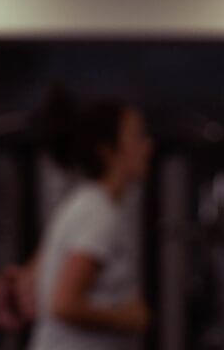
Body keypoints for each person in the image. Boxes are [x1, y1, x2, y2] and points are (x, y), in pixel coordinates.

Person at [29, 99, 153, 350]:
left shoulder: (86, 204)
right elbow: (64, 304)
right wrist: (128, 319)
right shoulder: (98, 213)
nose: (148, 145)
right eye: (137, 136)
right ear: (108, 150)